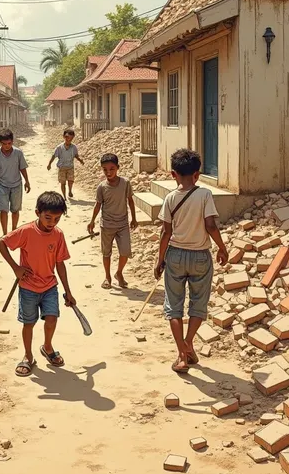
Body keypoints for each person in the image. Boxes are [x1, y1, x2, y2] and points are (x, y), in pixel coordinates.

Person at [154, 148, 228, 374]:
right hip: (200, 257)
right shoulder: (205, 195)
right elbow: (211, 226)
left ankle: (182, 354)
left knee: (173, 307)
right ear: (197, 174)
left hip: (175, 255)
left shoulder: (169, 198)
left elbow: (165, 233)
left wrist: (160, 260)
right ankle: (188, 345)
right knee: (198, 304)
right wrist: (222, 247)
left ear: (172, 174)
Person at [0, 191, 76, 377]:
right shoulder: (26, 231)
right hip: (28, 288)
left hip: (49, 286)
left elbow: (60, 264)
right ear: (37, 212)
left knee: (52, 318)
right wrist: (16, 268)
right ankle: (28, 356)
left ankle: (47, 347)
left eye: (57, 219)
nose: (52, 222)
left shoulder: (58, 235)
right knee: (28, 323)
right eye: (48, 217)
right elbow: (1, 242)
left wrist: (68, 291)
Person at [87, 153, 138, 290]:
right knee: (106, 253)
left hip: (122, 224)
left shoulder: (125, 183)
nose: (108, 172)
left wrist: (134, 218)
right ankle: (107, 277)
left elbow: (130, 201)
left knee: (125, 251)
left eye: (112, 169)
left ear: (118, 168)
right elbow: (98, 205)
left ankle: (119, 273)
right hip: (107, 225)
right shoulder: (102, 187)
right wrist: (92, 221)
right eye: (105, 169)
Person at [0, 128, 30, 234]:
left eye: (9, 143)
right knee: (3, 210)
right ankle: (4, 233)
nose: (7, 146)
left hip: (16, 185)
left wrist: (27, 181)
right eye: (4, 144)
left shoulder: (18, 153)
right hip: (2, 185)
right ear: (0, 143)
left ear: (12, 141)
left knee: (15, 210)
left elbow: (22, 168)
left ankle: (14, 231)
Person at [47, 128, 84, 200]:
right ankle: (64, 196)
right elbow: (54, 155)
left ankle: (70, 191)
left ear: (72, 138)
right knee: (62, 182)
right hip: (62, 167)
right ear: (63, 137)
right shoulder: (59, 147)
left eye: (70, 138)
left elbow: (76, 155)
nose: (68, 139)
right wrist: (49, 164)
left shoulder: (74, 147)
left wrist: (80, 160)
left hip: (70, 167)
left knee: (71, 180)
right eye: (66, 137)